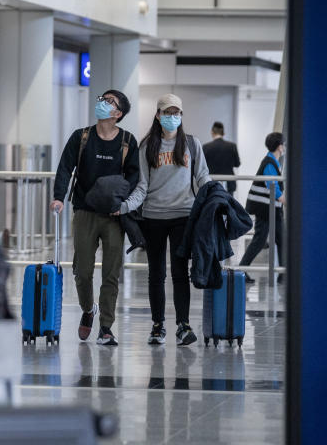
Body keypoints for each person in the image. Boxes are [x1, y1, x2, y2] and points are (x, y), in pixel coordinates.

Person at [119, 94, 211, 347]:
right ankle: (158, 325)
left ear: (181, 116)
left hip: (183, 215)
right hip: (153, 217)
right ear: (158, 115)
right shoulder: (147, 146)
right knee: (156, 274)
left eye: (177, 113)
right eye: (167, 113)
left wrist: (215, 196)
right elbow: (142, 187)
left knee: (180, 273)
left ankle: (183, 324)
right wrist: (125, 206)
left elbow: (203, 176)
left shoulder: (192, 144)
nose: (173, 117)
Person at [51, 90, 140, 346]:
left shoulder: (127, 141)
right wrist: (59, 196)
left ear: (118, 113)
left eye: (109, 101)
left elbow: (134, 177)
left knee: (112, 273)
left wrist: (123, 205)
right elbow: (65, 167)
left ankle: (106, 327)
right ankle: (88, 309)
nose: (102, 102)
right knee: (83, 270)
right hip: (84, 212)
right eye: (102, 98)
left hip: (113, 216)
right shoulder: (82, 137)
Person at [239, 132, 285, 284]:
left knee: (281, 239)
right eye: (283, 144)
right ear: (280, 146)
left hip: (271, 209)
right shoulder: (269, 163)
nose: (284, 147)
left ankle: (283, 274)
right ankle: (241, 270)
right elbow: (274, 188)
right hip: (266, 210)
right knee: (259, 240)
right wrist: (286, 201)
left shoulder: (272, 161)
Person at [202, 122, 241, 194]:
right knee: (229, 204)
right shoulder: (232, 146)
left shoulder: (206, 147)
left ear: (212, 132)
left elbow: (202, 166)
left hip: (212, 182)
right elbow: (237, 164)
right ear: (223, 133)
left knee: (213, 204)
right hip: (229, 183)